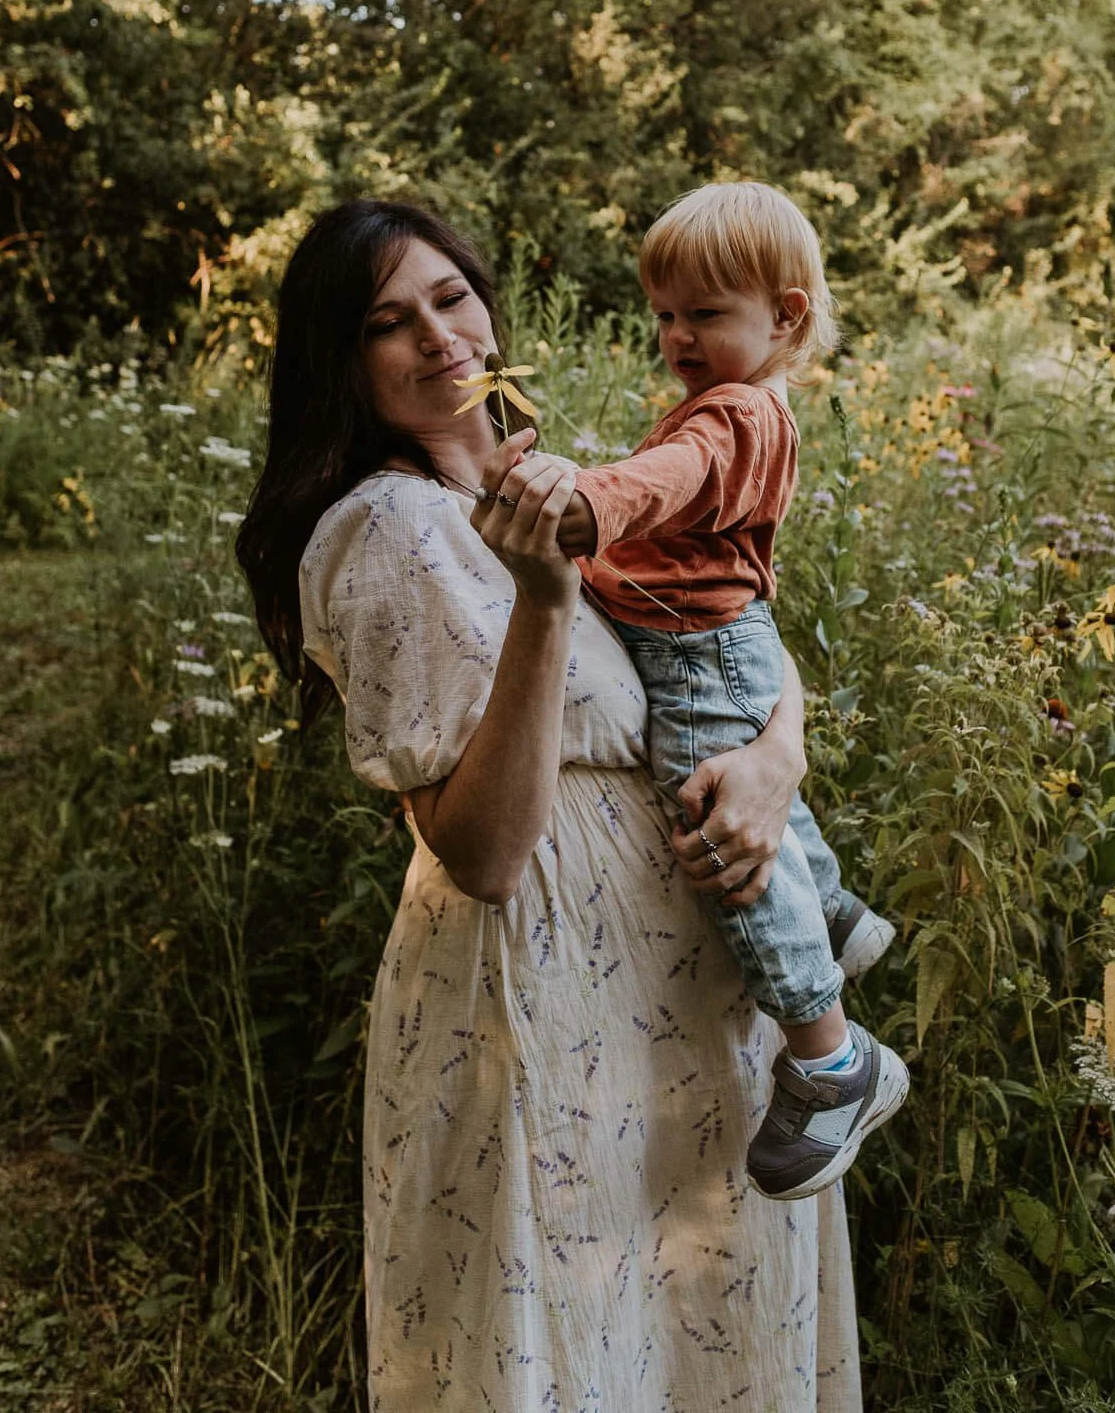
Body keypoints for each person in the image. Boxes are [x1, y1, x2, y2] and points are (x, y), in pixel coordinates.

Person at [237, 198, 865, 1411]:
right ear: (343, 361)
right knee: (578, 1336)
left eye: (450, 296)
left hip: (678, 995)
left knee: (693, 1322)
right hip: (540, 992)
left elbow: (730, 636)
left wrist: (777, 756)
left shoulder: (543, 475)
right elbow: (480, 848)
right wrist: (544, 600)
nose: (437, 335)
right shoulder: (388, 530)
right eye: (387, 321)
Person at [550, 182, 907, 1201]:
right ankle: (831, 907)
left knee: (720, 828)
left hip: (701, 653)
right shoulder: (743, 399)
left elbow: (667, 476)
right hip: (715, 643)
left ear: (783, 314)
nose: (677, 334)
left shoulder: (737, 414)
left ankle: (831, 1059)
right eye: (665, 313)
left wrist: (590, 505)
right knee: (750, 805)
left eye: (705, 313)